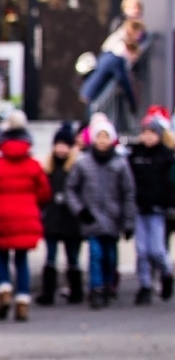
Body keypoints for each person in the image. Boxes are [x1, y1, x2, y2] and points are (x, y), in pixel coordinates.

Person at [0, 110, 50, 322]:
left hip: (2, 214)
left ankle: (4, 288)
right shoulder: (33, 164)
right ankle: (23, 300)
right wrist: (34, 205)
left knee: (1, 255)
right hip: (27, 215)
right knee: (21, 259)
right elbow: (44, 192)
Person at [66, 115, 137, 309]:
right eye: (99, 137)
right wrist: (80, 210)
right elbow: (71, 189)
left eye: (106, 137)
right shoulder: (83, 162)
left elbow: (128, 193)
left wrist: (129, 222)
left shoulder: (120, 164)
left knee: (110, 255)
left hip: (113, 218)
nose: (102, 141)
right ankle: (96, 288)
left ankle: (108, 284)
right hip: (91, 218)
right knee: (95, 254)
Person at [126, 106, 175, 304]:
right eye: (145, 133)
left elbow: (171, 184)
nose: (148, 137)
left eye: (152, 133)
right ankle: (145, 285)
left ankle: (166, 273)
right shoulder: (134, 155)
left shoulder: (166, 156)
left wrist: (170, 205)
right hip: (138, 208)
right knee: (142, 250)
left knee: (157, 249)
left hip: (157, 208)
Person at [38, 123, 84, 306]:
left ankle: (76, 290)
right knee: (50, 256)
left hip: (71, 219)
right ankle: (47, 292)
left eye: (65, 145)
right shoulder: (47, 167)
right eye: (58, 144)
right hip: (52, 218)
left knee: (72, 257)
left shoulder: (77, 167)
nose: (61, 149)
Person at [80, 17, 144, 108]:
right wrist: (133, 104)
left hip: (89, 94)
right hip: (92, 97)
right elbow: (124, 81)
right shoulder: (117, 60)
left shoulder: (112, 55)